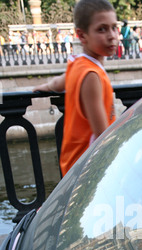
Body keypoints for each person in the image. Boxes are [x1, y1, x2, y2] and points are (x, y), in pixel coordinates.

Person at [34, 0, 118, 177]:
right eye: (102, 29)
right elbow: (102, 135)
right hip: (87, 167)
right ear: (82, 35)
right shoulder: (91, 76)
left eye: (114, 27)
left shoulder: (78, 64)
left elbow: (59, 82)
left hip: (73, 163)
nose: (112, 36)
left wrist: (45, 86)